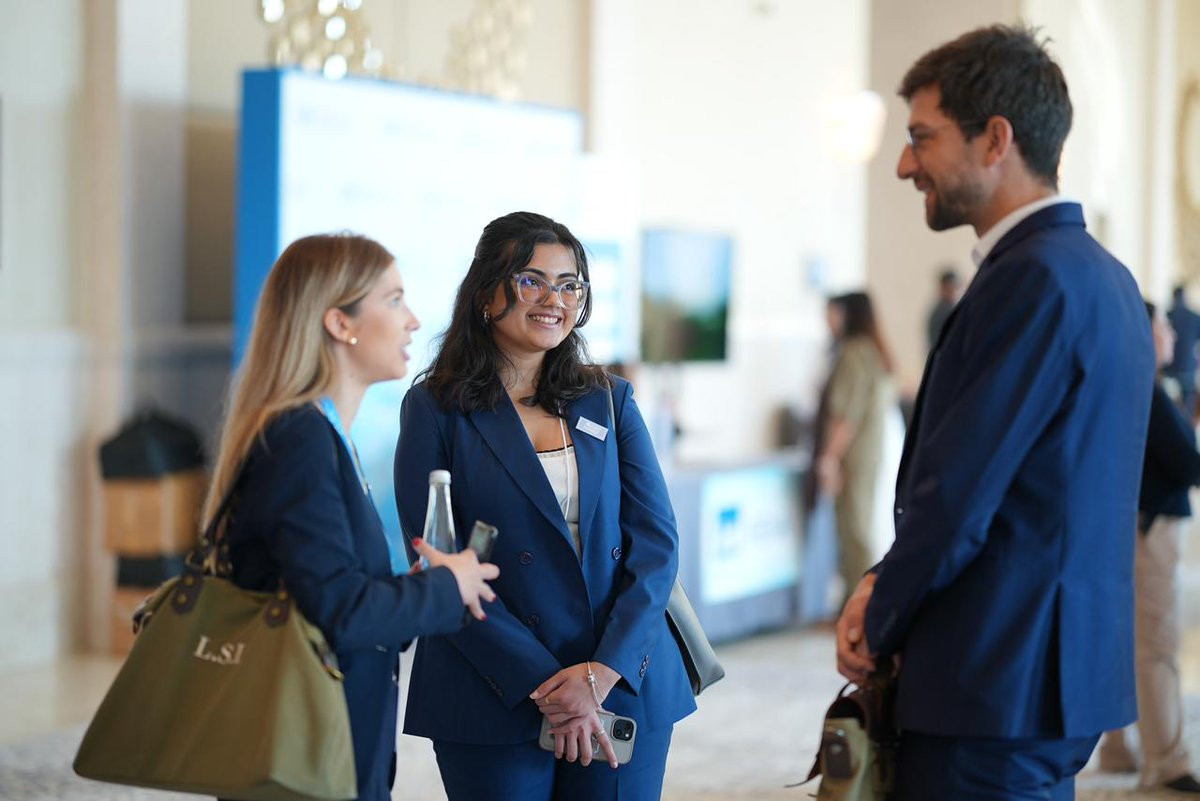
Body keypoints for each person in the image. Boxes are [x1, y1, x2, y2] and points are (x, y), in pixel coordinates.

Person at [835, 25, 1154, 801]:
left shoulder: (1030, 278)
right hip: (1048, 673)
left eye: (923, 137)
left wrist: (880, 613)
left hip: (992, 671)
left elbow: (961, 492)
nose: (905, 164)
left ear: (995, 139)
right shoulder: (1105, 277)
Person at [394, 211, 696, 801]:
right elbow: (438, 560)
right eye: (531, 281)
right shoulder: (436, 408)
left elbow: (656, 546)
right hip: (493, 681)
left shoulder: (607, 399)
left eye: (569, 285)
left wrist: (599, 675)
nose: (553, 300)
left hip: (619, 673)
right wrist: (550, 687)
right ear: (486, 293)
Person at [203, 233, 500, 801]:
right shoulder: (300, 439)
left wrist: (425, 587)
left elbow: (327, 594)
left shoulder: (317, 434)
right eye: (394, 299)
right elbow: (341, 613)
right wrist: (447, 586)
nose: (413, 321)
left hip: (319, 749)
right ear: (340, 323)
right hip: (302, 758)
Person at [1098, 302, 1200, 793]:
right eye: (1164, 328)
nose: (1173, 337)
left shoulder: (1127, 384)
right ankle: (1167, 760)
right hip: (1151, 526)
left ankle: (1120, 748)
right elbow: (1188, 463)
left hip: (1136, 522)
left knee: (1126, 641)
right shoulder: (1145, 389)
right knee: (1156, 644)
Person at [814, 292, 896, 603]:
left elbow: (845, 415)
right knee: (858, 526)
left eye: (832, 313)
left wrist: (829, 457)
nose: (827, 321)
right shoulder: (874, 351)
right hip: (868, 453)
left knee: (854, 531)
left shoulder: (854, 353)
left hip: (852, 456)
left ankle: (859, 605)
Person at [1166, 285, 1200, 418]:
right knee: (1187, 412)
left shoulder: (1169, 315)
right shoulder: (1195, 317)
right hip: (1188, 370)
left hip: (1170, 371)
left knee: (1169, 411)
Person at [925, 267, 961, 351]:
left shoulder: (945, 309)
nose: (954, 290)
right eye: (951, 286)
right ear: (943, 287)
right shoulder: (945, 311)